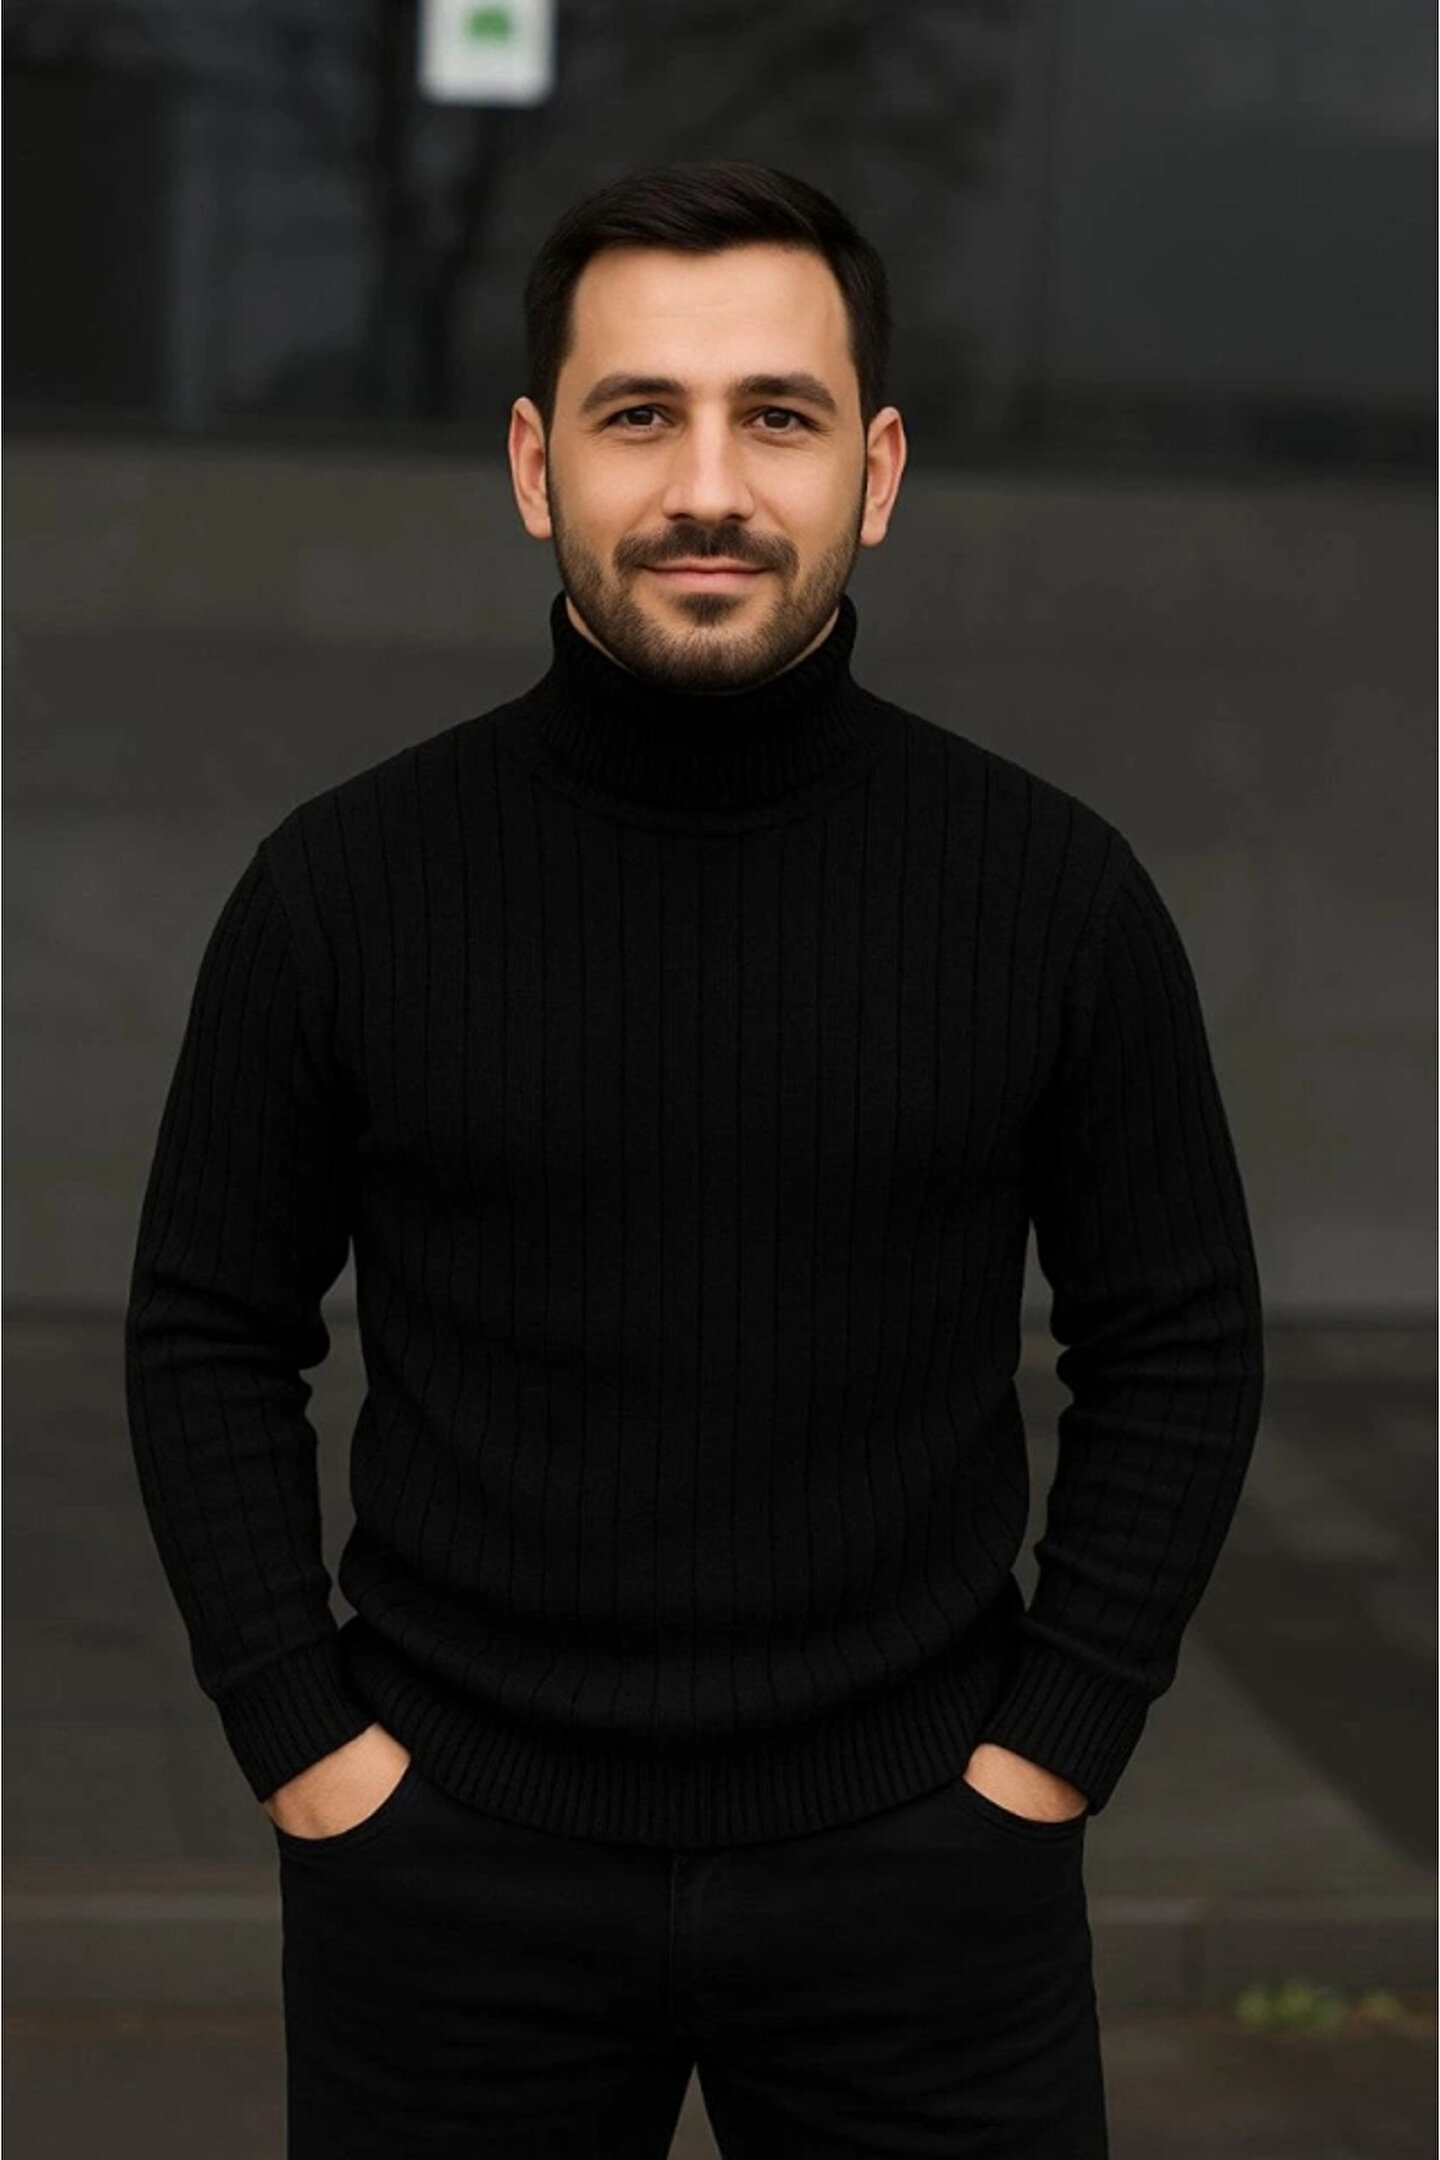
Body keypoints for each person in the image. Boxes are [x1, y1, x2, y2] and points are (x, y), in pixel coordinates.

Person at [124, 160, 1265, 2157]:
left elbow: (1177, 1338)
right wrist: (308, 1745)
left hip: (927, 1878)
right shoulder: (344, 891)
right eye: (640, 413)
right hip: (449, 1882)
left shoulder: (1051, 895)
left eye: (780, 416)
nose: (710, 486)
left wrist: (1050, 1752)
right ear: (534, 463)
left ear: (877, 471)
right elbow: (207, 1330)